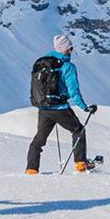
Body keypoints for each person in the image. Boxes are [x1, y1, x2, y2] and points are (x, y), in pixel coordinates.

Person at [26, 34, 98, 174]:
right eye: (70, 48)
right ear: (65, 49)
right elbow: (73, 91)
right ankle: (81, 164)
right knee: (78, 130)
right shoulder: (67, 66)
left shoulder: (42, 63)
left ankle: (31, 168)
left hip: (43, 107)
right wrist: (84, 107)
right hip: (59, 107)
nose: (71, 51)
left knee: (39, 139)